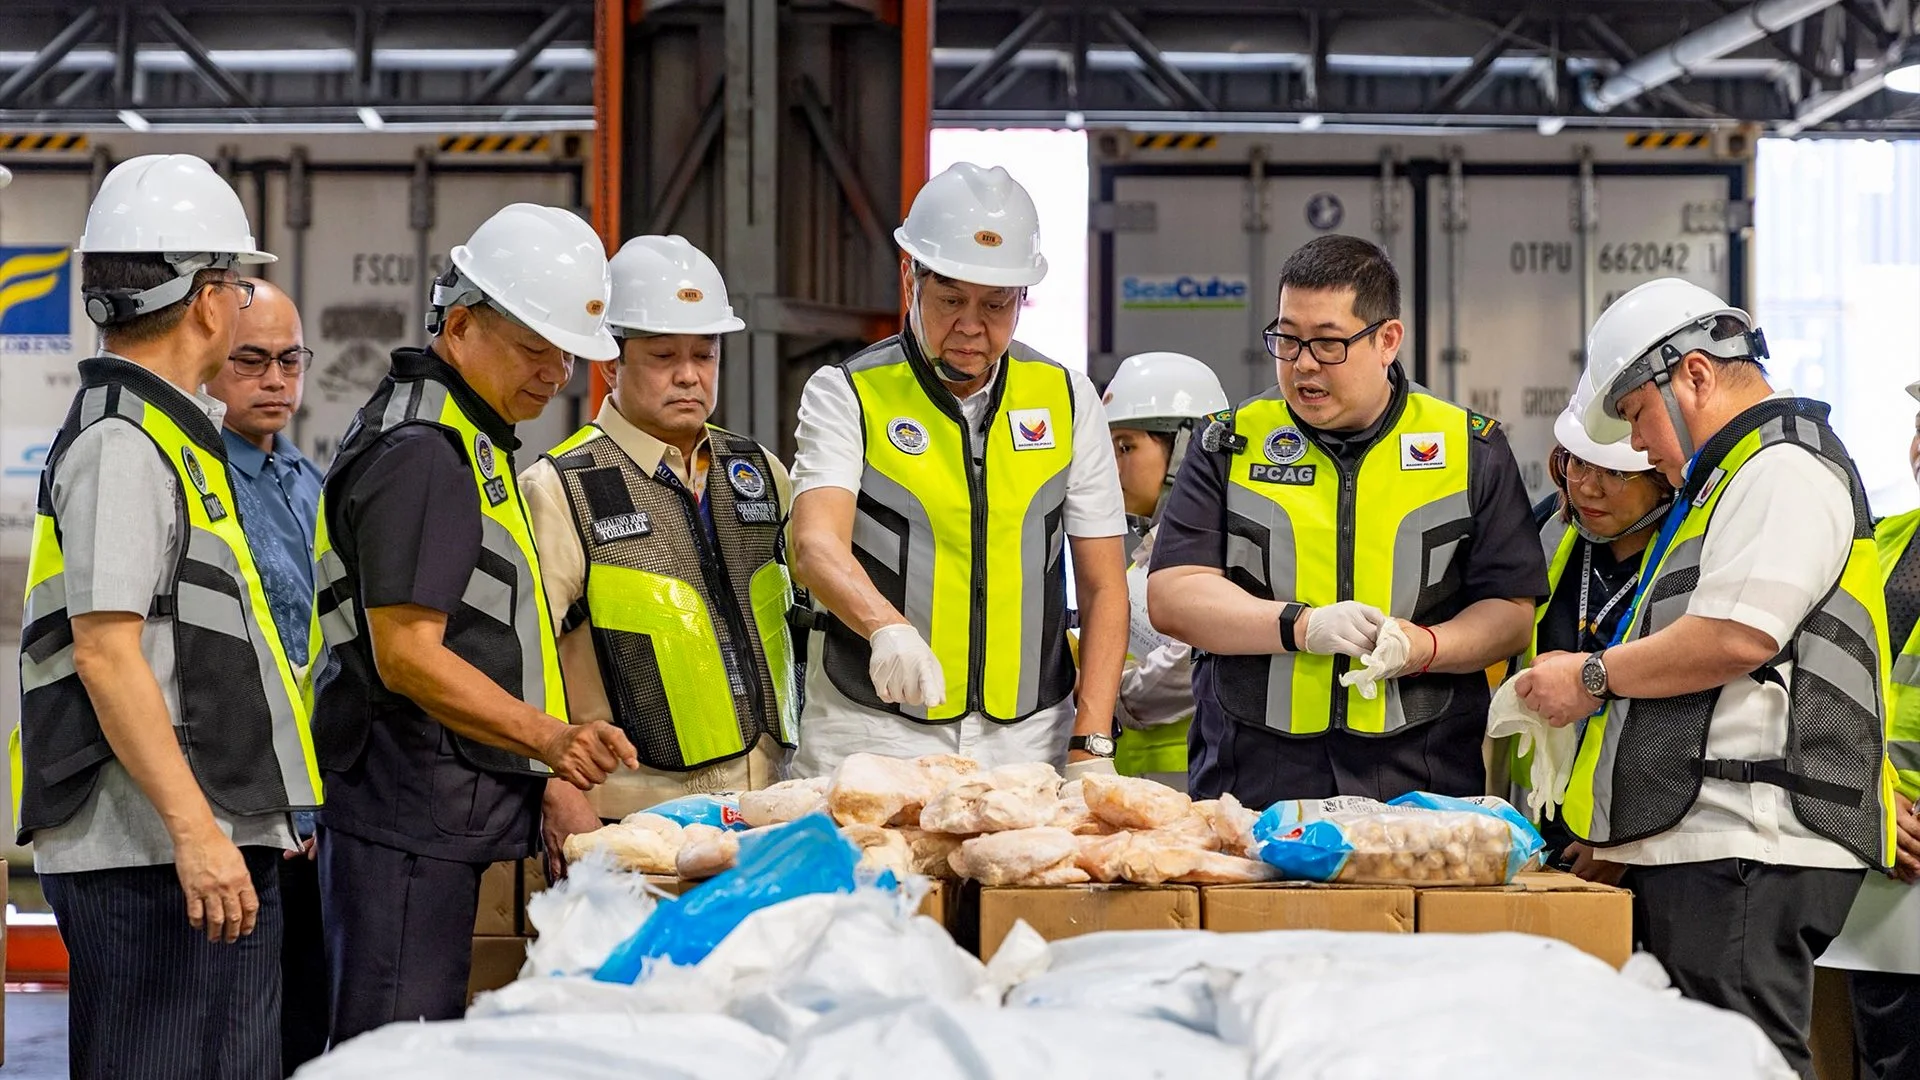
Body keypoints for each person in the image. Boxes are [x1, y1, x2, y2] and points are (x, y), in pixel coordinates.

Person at [1516, 277, 1888, 1078]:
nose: (1638, 444)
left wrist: (1590, 677)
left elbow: (1734, 635)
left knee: (1741, 1062)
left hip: (1751, 842)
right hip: (1718, 842)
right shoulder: (1736, 478)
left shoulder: (1784, 469)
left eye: (1637, 416)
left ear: (1692, 374)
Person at [14, 154, 316, 1079]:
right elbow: (106, 654)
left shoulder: (170, 433)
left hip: (197, 839)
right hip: (152, 851)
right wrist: (195, 833)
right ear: (208, 301)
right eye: (235, 283)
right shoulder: (122, 441)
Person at [309, 203, 638, 1044]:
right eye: (535, 348)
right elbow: (408, 657)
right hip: (404, 818)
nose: (556, 373)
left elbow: (492, 629)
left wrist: (549, 777)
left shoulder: (470, 434)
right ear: (460, 326)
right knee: (392, 1052)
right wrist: (553, 741)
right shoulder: (423, 450)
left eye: (567, 353)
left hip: (432, 815)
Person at [1147, 234, 1545, 807]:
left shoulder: (1468, 448)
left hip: (1421, 771)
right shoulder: (1229, 443)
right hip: (1251, 772)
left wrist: (1425, 646)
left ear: (1387, 340)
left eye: (1328, 343)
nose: (1303, 363)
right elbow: (1174, 595)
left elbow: (1510, 614)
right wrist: (1301, 627)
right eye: (1287, 339)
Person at [787, 162, 1129, 779]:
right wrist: (886, 629)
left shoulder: (1067, 399)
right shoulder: (848, 392)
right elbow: (815, 545)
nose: (971, 326)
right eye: (950, 300)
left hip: (1030, 734)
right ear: (910, 281)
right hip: (871, 724)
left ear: (1022, 299)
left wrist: (1093, 737)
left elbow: (1104, 586)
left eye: (996, 305)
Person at [522, 235, 797, 860]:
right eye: (664, 355)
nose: (689, 375)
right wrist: (555, 792)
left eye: (705, 354)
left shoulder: (760, 471)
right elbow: (521, 663)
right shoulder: (560, 486)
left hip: (766, 803)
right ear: (610, 363)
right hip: (633, 817)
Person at [201, 278, 329, 1071]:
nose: (276, 379)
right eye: (251, 361)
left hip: (314, 812)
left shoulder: (310, 482)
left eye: (290, 360)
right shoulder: (199, 485)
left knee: (301, 1027)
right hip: (239, 809)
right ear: (210, 358)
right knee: (232, 1040)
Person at [1518, 401, 1674, 883]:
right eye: (1578, 463)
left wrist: (1626, 837)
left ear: (1662, 474)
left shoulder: (1693, 553)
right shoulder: (1546, 531)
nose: (1587, 487)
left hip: (1647, 832)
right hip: (1543, 821)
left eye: (1615, 473)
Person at [1827, 381, 1920, 1080]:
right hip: (1886, 843)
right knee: (1888, 1055)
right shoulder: (1883, 540)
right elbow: (1832, 689)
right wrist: (1870, 798)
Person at [1101, 351, 1229, 791]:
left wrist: (1105, 689)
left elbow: (1189, 662)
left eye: (1126, 447)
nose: (1112, 466)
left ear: (1187, 449)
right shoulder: (1147, 553)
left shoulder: (1223, 550)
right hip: (1137, 773)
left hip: (1190, 776)